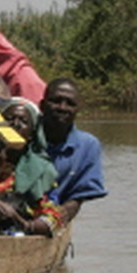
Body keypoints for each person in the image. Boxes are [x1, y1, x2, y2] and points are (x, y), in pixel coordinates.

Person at [0, 98, 62, 236]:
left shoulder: (42, 169)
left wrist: (25, 224)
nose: (15, 124)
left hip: (13, 231)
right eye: (9, 119)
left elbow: (53, 216)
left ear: (32, 133)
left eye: (23, 121)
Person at [40, 77, 107, 227]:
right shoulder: (24, 136)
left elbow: (78, 196)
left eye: (70, 103)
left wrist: (55, 218)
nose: (62, 107)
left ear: (78, 110)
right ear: (42, 105)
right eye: (56, 101)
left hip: (53, 215)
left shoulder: (88, 146)